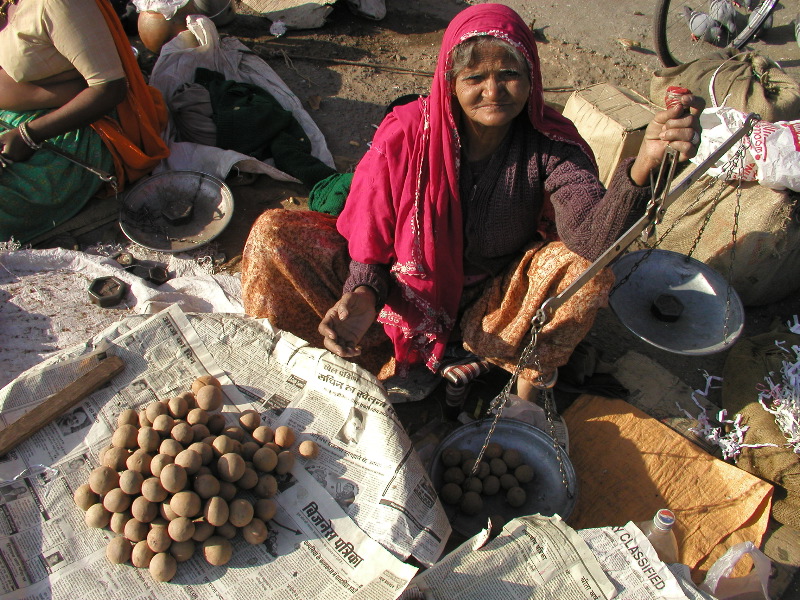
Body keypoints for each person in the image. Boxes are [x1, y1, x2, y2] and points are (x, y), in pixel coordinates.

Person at [241, 3, 702, 402]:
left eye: (509, 75)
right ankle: (318, 361)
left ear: (532, 78)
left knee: (585, 273)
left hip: (491, 303)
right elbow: (371, 237)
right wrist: (363, 294)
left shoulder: (549, 145)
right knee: (273, 233)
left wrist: (643, 165)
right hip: (400, 293)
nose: (493, 92)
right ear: (450, 82)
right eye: (475, 77)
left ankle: (518, 397)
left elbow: (591, 239)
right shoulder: (406, 134)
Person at [0, 0, 169, 243]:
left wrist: (28, 135)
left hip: (81, 128)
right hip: (24, 113)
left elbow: (109, 89)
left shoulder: (59, 4)